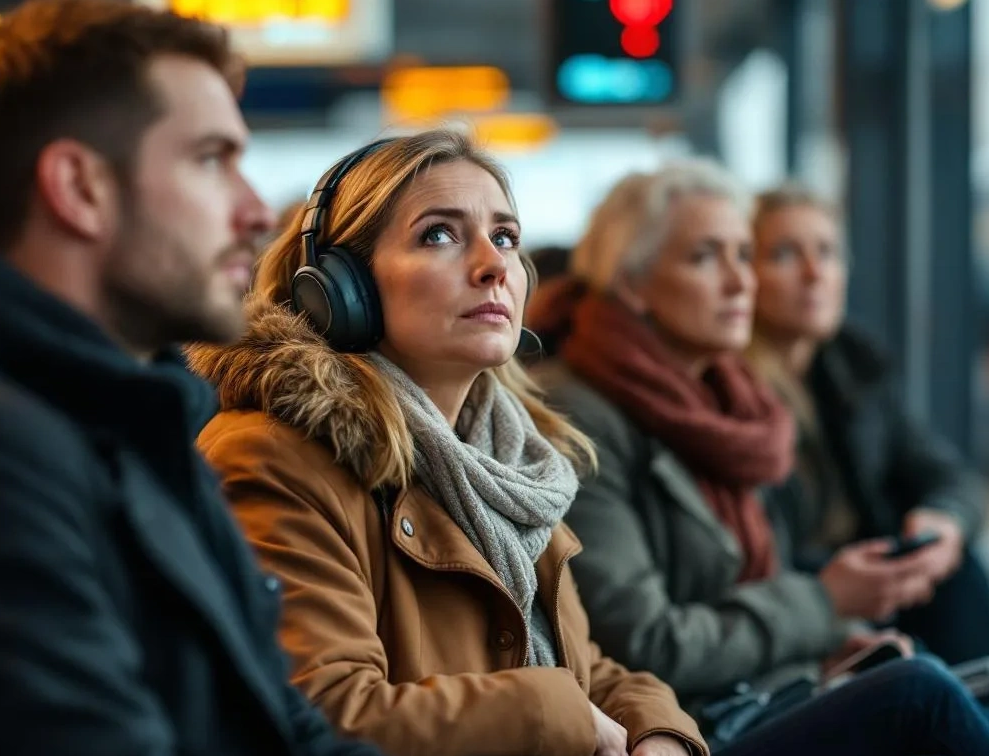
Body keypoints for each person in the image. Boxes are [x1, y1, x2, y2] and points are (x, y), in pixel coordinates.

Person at [0, 2, 382, 754]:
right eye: (211, 159)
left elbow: (285, 732)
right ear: (79, 187)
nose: (256, 212)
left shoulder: (133, 415)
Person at [187, 129, 707, 756]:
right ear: (337, 289)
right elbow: (324, 714)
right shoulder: (273, 458)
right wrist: (554, 714)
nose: (493, 265)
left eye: (506, 237)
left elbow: (587, 668)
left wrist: (658, 735)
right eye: (439, 234)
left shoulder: (513, 461)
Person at [532, 162, 989, 756]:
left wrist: (832, 642)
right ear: (633, 283)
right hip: (690, 725)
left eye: (743, 255)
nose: (742, 283)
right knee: (920, 694)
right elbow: (645, 642)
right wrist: (824, 605)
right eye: (705, 258)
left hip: (762, 688)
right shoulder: (577, 416)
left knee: (978, 706)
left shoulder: (726, 406)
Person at [745, 185, 989, 665]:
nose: (815, 273)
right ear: (745, 274)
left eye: (828, 252)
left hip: (879, 588)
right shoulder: (728, 388)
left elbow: (948, 474)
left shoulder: (856, 367)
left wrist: (944, 521)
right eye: (784, 254)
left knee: (963, 578)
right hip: (804, 598)